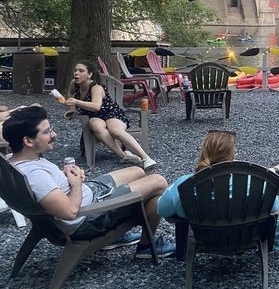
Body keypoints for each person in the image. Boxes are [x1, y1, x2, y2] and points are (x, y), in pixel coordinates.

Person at [2, 105, 175, 257]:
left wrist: (67, 178)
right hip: (88, 218)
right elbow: (69, 212)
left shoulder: (14, 160)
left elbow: (50, 190)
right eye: (47, 132)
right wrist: (76, 184)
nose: (53, 135)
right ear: (28, 141)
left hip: (87, 196)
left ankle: (123, 237)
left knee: (137, 171)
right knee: (158, 182)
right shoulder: (35, 175)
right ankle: (145, 246)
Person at [156, 130, 279, 248]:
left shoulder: (185, 185)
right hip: (244, 237)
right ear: (232, 157)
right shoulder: (252, 183)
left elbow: (161, 209)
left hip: (204, 238)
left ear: (203, 153)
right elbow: (273, 206)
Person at [63, 60, 156, 170]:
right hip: (95, 117)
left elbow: (96, 106)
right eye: (76, 70)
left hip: (111, 113)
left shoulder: (96, 87)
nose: (76, 73)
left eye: (81, 70)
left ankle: (146, 158)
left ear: (90, 74)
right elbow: (71, 99)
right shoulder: (74, 85)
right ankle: (123, 156)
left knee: (115, 130)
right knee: (95, 125)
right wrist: (71, 110)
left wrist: (77, 102)